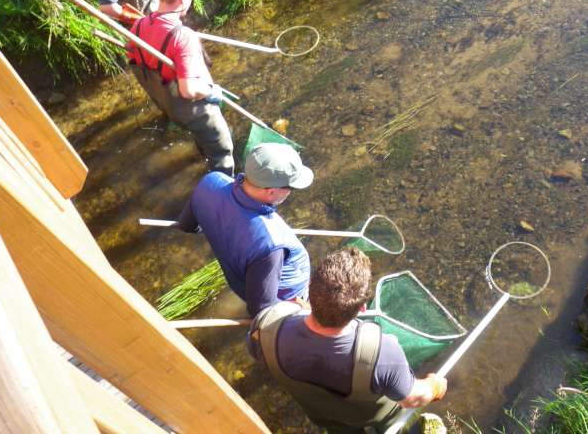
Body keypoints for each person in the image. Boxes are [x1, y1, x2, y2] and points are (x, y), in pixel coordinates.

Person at [248, 247, 447, 434]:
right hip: (373, 420)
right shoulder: (383, 353)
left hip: (323, 417)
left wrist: (299, 311)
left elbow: (256, 352)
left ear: (309, 288)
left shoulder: (266, 324)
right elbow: (411, 399)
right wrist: (435, 386)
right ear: (362, 308)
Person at [178, 142, 313, 316]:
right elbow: (262, 310)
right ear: (271, 192)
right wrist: (302, 308)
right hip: (292, 303)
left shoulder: (210, 181)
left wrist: (218, 227)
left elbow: (187, 225)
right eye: (290, 188)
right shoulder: (270, 246)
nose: (290, 192)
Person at [127, 0, 234, 174]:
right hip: (191, 108)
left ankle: (202, 148)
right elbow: (188, 90)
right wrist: (212, 92)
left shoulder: (139, 25)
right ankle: (221, 189)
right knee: (223, 151)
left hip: (166, 103)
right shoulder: (184, 37)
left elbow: (133, 57)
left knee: (201, 135)